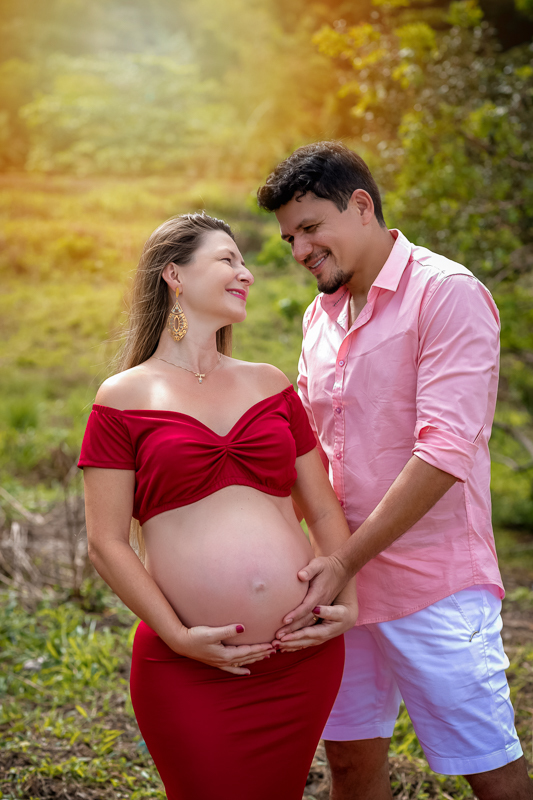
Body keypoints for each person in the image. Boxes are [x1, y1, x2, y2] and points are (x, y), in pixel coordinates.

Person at [258, 142, 533, 800]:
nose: (298, 251)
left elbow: (443, 451)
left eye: (309, 229)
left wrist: (344, 559)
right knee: (350, 769)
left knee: (490, 773)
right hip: (339, 586)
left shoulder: (446, 294)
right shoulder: (318, 315)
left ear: (359, 206)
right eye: (289, 237)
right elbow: (311, 450)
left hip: (431, 586)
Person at [78, 212, 358, 800]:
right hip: (191, 669)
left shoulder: (270, 384)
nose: (246, 273)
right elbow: (105, 543)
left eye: (244, 261)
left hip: (301, 660)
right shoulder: (123, 397)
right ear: (174, 275)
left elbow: (325, 510)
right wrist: (177, 636)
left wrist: (345, 596)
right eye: (228, 260)